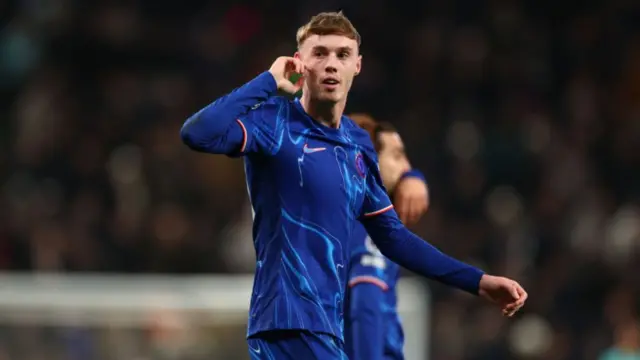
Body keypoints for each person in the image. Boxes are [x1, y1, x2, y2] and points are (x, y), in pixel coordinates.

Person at [180, 11, 527, 360]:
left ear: (357, 66)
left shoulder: (357, 143)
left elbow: (393, 236)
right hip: (287, 321)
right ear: (300, 63)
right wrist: (267, 82)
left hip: (327, 328)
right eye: (320, 53)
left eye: (342, 54)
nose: (331, 64)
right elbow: (198, 133)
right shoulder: (275, 122)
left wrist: (477, 281)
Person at [345, 113, 428, 360]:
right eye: (397, 156)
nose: (406, 168)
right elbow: (366, 304)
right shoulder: (369, 228)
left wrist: (415, 178)